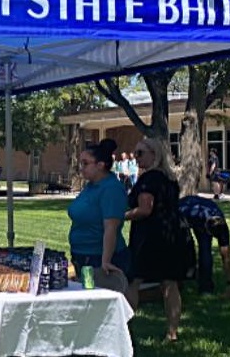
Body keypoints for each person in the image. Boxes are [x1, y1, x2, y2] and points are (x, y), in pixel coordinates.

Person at [124, 137, 186, 342]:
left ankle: (125, 331)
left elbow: (144, 209)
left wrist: (120, 215)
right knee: (170, 283)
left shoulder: (148, 179)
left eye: (140, 153)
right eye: (134, 153)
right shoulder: (169, 179)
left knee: (134, 281)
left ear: (154, 154)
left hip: (149, 237)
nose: (136, 157)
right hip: (172, 235)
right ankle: (172, 332)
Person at [68, 139, 130, 276]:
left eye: (85, 163)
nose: (81, 167)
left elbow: (111, 227)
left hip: (98, 258)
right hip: (82, 255)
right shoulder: (90, 186)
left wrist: (106, 261)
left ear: (100, 165)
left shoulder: (111, 189)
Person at [178, 195, 230, 297]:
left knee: (205, 250)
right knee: (184, 244)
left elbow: (226, 256)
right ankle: (182, 275)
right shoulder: (186, 211)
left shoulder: (222, 227)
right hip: (184, 211)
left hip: (201, 215)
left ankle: (205, 288)